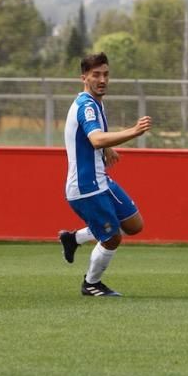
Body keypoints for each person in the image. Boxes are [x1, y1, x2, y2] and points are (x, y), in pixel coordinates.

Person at [57, 52, 152, 297]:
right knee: (112, 238)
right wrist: (133, 131)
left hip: (101, 181)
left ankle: (74, 239)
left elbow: (94, 138)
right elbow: (96, 138)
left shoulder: (95, 102)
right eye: (96, 75)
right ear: (84, 78)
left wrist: (108, 148)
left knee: (134, 224)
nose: (102, 80)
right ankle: (91, 283)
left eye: (106, 74)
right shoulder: (87, 106)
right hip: (86, 187)